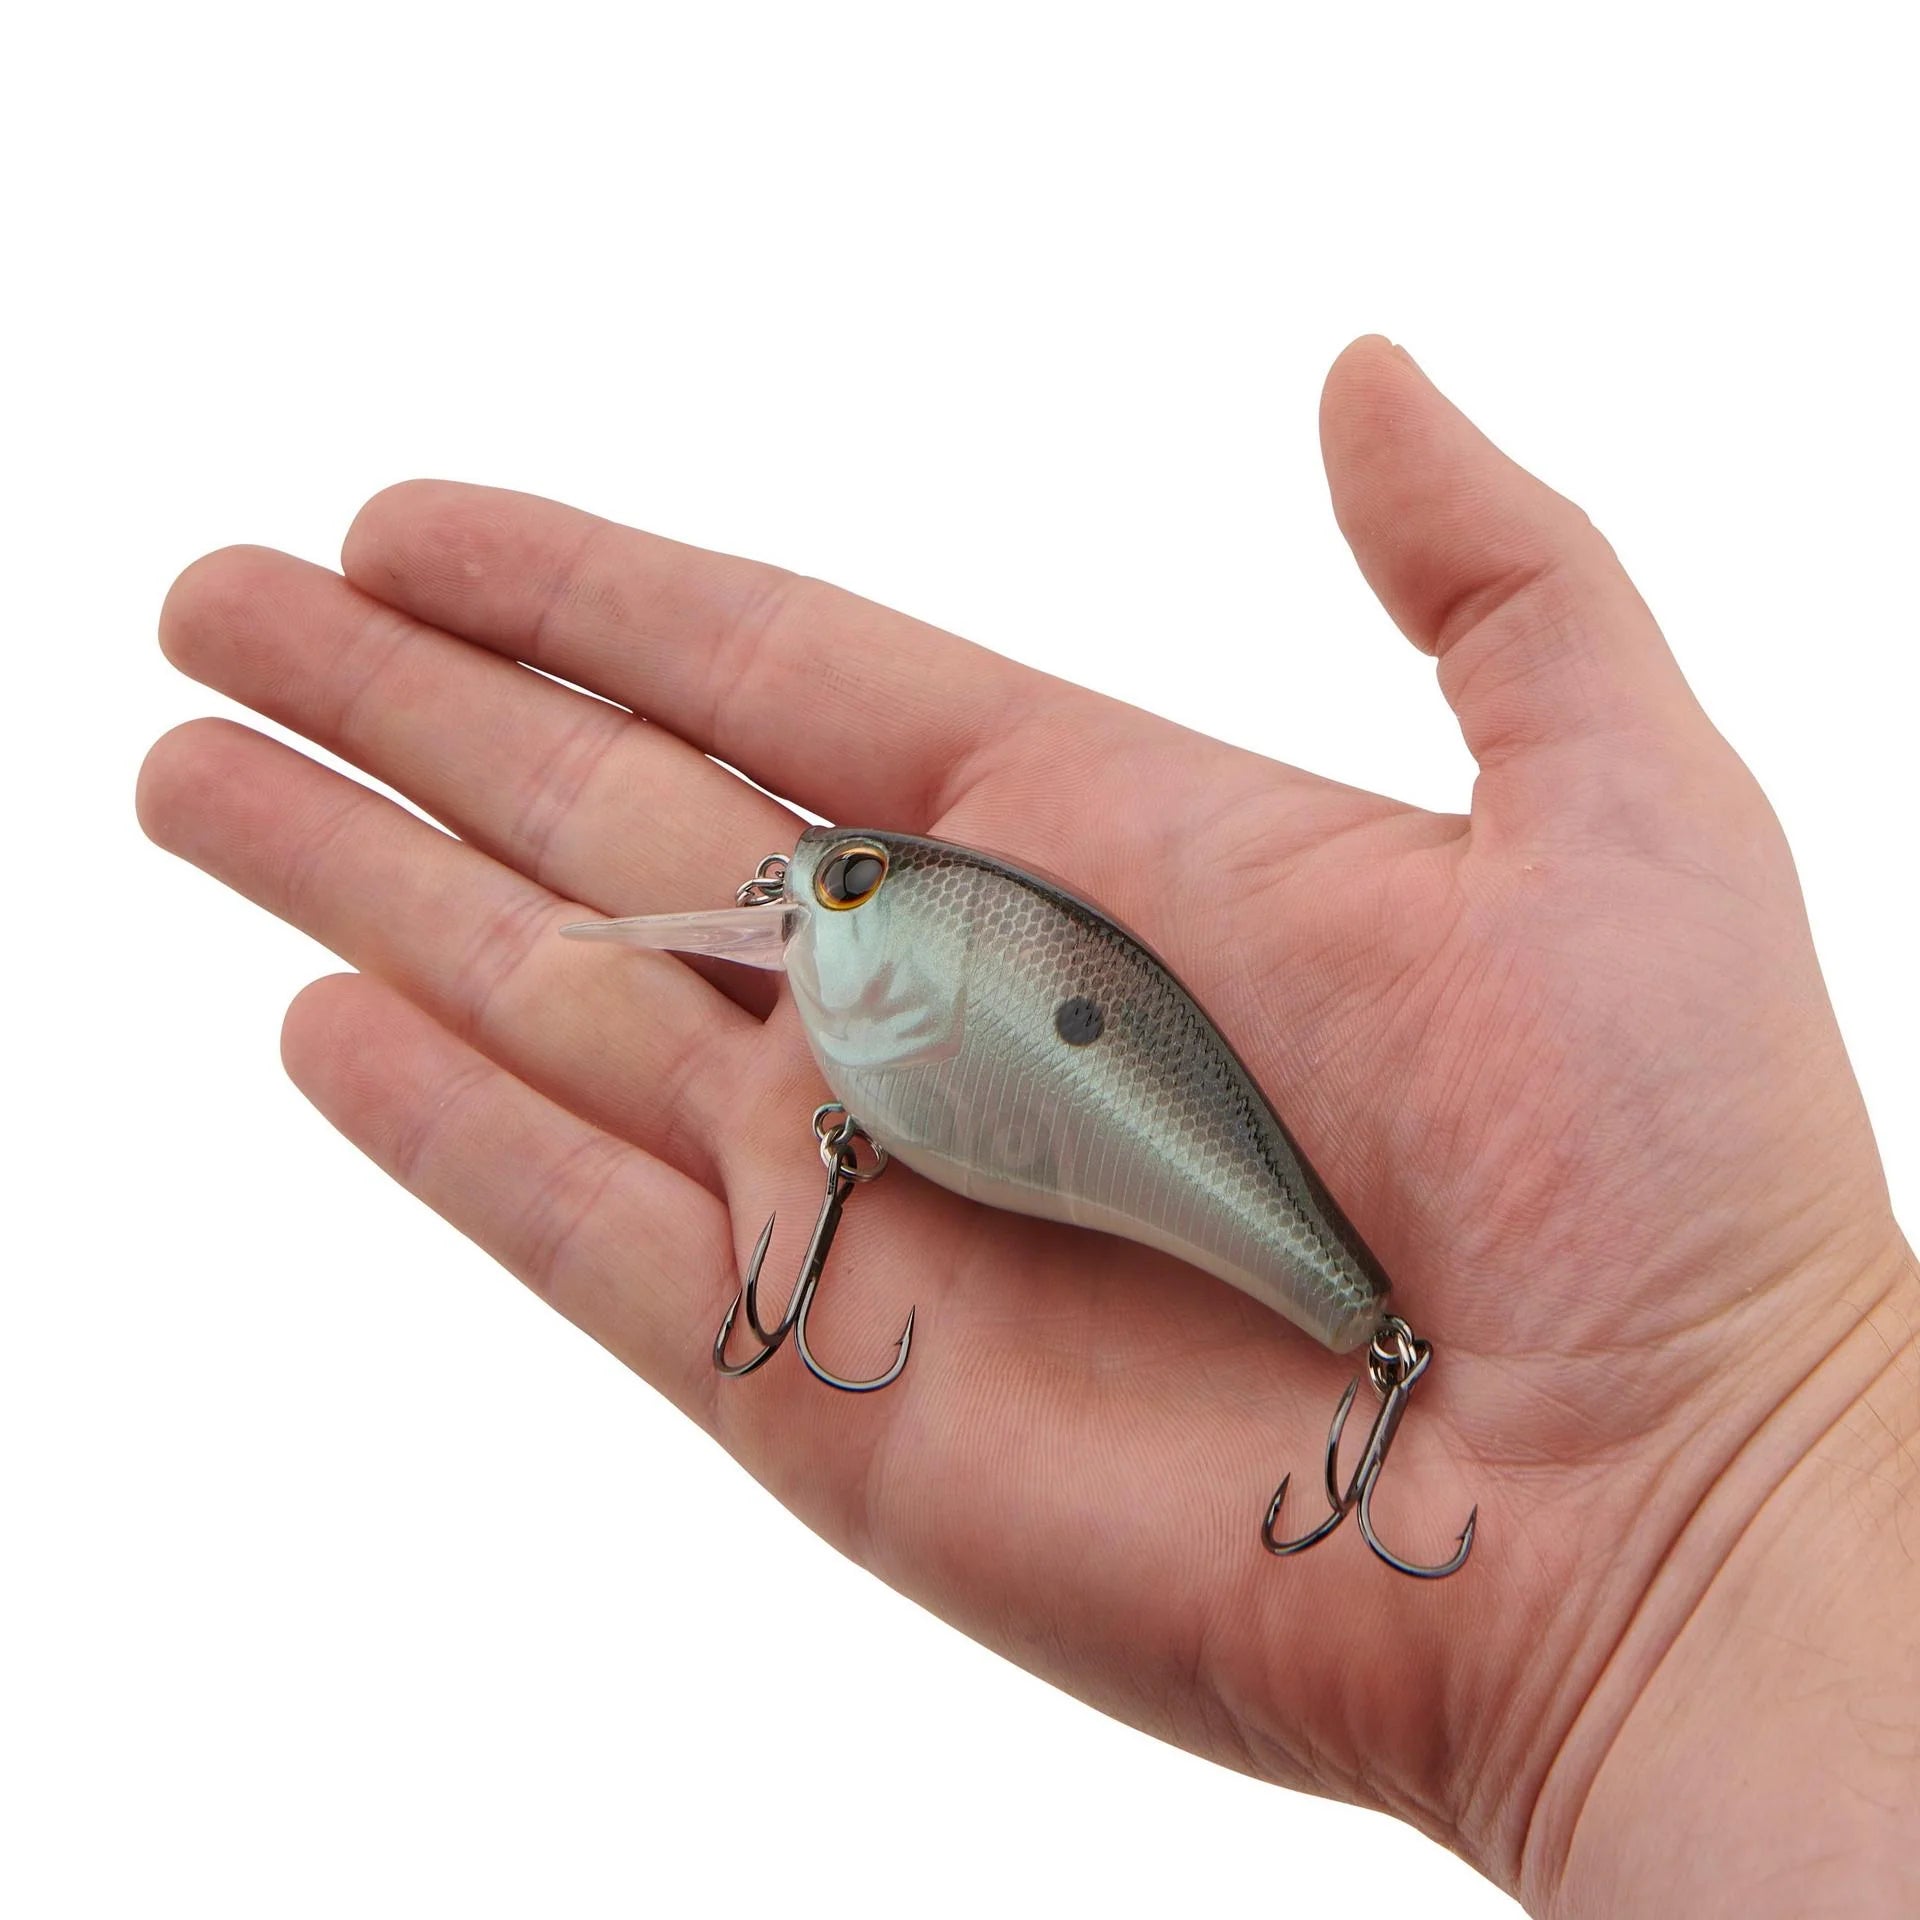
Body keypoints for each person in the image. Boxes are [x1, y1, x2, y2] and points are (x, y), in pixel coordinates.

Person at [137, 337, 1918, 1914]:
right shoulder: (857, 1016)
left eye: (833, 884)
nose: (797, 904)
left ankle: (1357, 1331)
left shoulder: (898, 972)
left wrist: (1745, 1460)